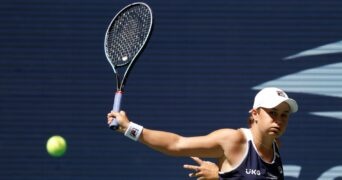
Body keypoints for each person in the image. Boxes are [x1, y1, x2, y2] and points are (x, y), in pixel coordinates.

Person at [107, 87, 298, 179]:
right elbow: (177, 144)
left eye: (284, 115)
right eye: (272, 113)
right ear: (255, 114)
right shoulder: (234, 140)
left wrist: (221, 177)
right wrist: (130, 128)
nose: (279, 120)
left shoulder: (275, 148)